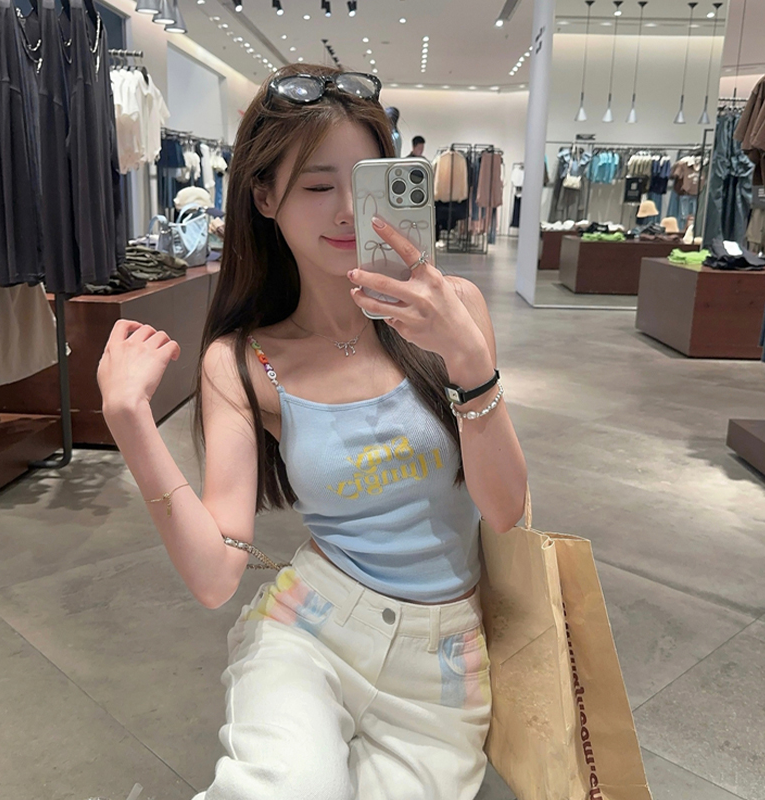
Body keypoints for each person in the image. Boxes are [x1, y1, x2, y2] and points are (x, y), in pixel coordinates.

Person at [97, 64, 527, 800]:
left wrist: (470, 363)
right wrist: (131, 422)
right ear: (265, 197)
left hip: (443, 662)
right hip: (313, 627)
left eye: (365, 184)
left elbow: (506, 509)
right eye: (318, 186)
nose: (347, 213)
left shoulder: (453, 311)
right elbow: (216, 576)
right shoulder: (245, 360)